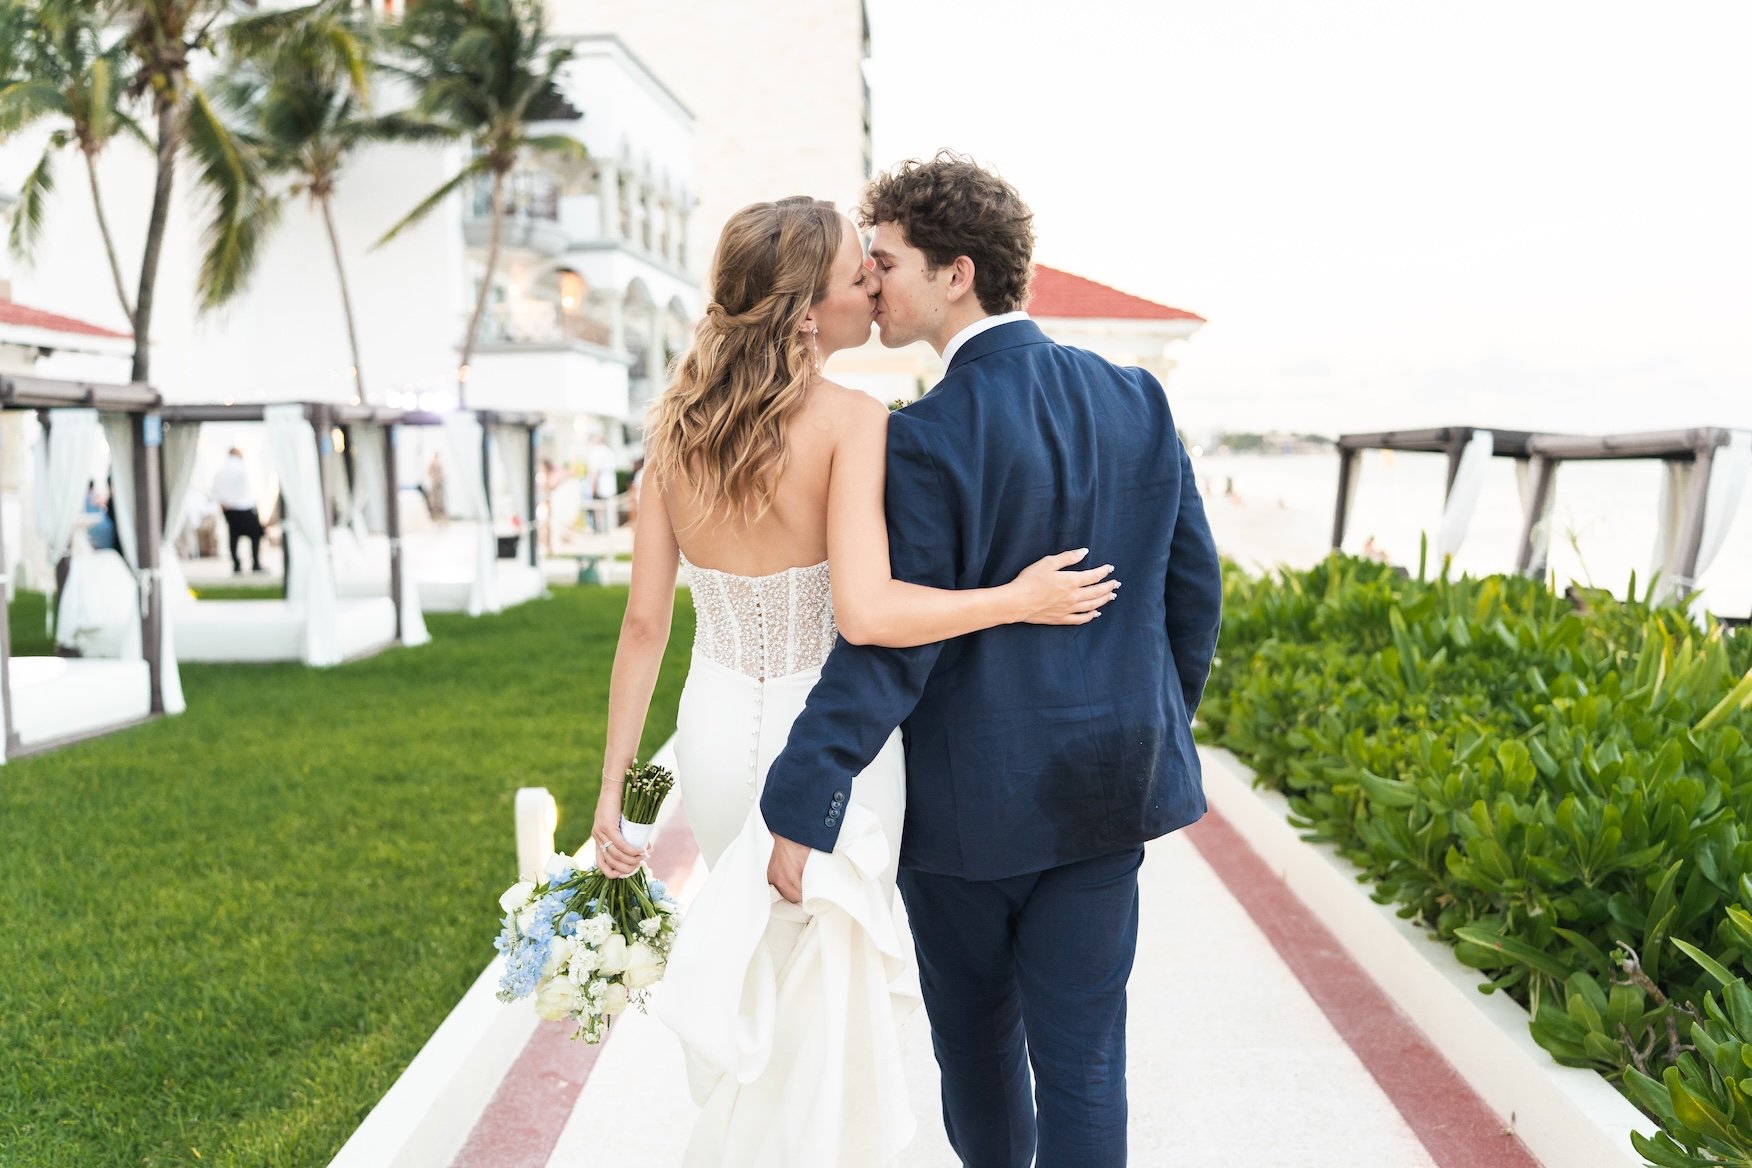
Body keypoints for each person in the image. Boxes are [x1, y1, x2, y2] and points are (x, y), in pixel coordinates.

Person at [590, 194, 1118, 1167]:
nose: (869, 287)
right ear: (802, 311)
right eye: (853, 277)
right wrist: (1017, 597)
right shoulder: (852, 420)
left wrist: (617, 793)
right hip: (832, 750)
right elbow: (869, 615)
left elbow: (644, 626)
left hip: (709, 737)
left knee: (760, 978)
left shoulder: (671, 432)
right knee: (829, 1000)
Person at [759, 155, 1222, 1168]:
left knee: (974, 1053)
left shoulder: (923, 438)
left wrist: (804, 793)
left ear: (956, 273)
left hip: (969, 810)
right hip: (1109, 792)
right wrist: (1150, 723)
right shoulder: (1138, 401)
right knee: (1089, 1063)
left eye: (885, 262)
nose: (872, 282)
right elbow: (1191, 595)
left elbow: (886, 646)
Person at [211, 447, 265, 574]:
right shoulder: (241, 467)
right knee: (255, 534)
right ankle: (255, 562)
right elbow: (245, 488)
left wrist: (223, 501)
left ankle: (236, 564)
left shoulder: (220, 470)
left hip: (228, 508)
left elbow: (214, 490)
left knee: (233, 535)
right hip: (243, 506)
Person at [584, 433, 617, 533]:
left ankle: (600, 528)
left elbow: (594, 470)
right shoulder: (608, 451)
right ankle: (609, 527)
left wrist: (593, 487)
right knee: (608, 507)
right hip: (609, 483)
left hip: (601, 483)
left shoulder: (596, 451)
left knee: (599, 507)